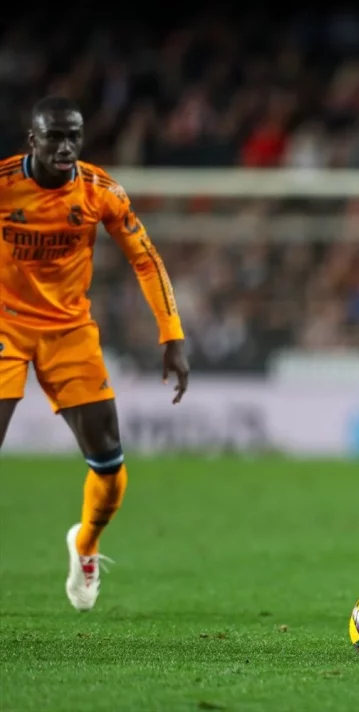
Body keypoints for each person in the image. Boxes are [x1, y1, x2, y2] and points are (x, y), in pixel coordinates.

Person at [0, 96, 189, 612]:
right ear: (32, 139)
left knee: (108, 462)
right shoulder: (5, 184)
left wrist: (171, 334)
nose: (65, 147)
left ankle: (84, 544)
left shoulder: (100, 190)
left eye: (74, 137)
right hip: (5, 327)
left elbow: (146, 260)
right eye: (54, 137)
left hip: (69, 332)